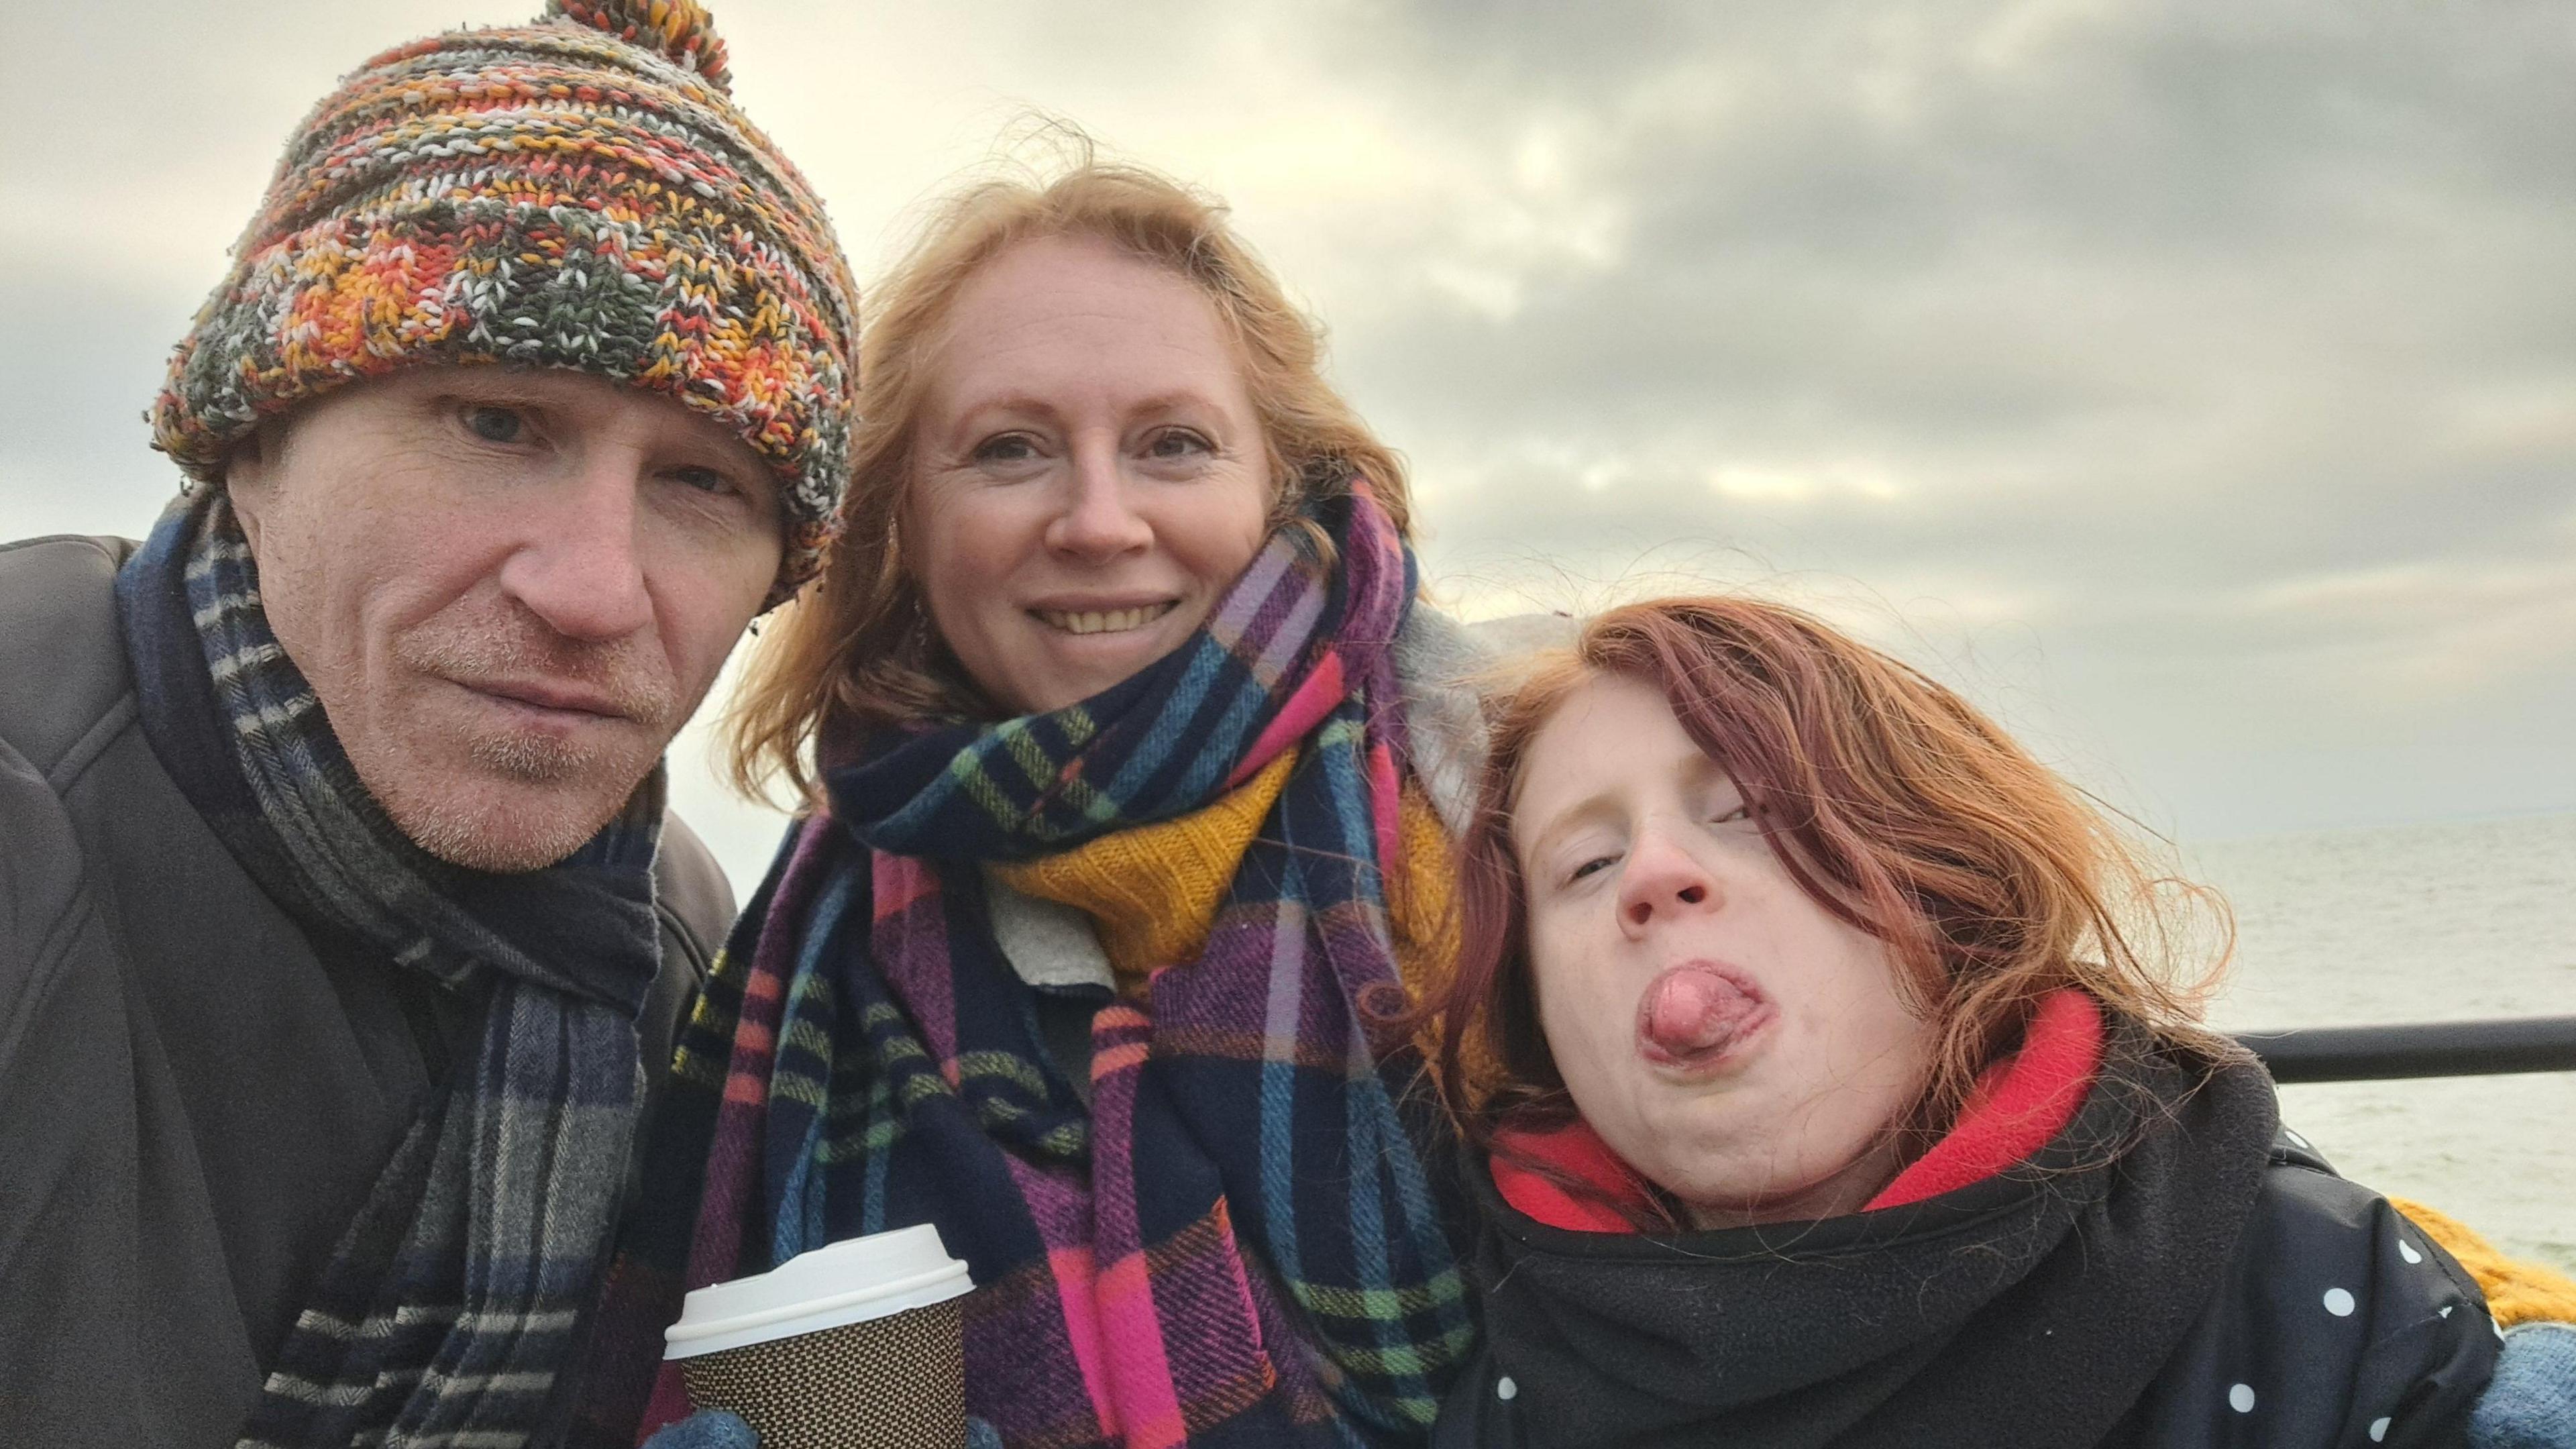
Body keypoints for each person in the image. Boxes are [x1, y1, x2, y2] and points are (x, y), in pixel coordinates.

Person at [0, 2, 861, 1445]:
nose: (592, 591)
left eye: (705, 484)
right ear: (254, 440)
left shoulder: (670, 941)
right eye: (495, 423)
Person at [574, 159, 1492, 1449]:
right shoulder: (817, 929)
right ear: (901, 518)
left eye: (1174, 444)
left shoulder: (1515, 787)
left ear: (1282, 482)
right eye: (1011, 450)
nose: (1100, 521)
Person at [1419, 596, 2514, 1448]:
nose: (1651, 875)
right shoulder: (1511, 1372)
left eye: (1751, 811)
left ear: (1947, 899)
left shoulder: (2313, 1294)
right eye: (1587, 863)